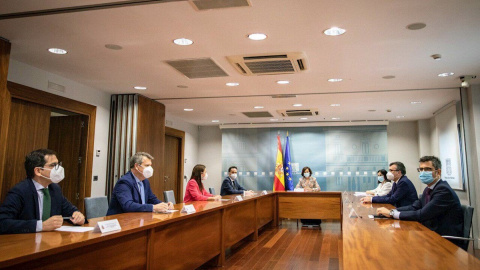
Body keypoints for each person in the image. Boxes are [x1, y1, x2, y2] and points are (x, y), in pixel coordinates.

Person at [377, 156, 464, 247]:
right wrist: (393, 211)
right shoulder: (429, 188)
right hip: (430, 232)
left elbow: (422, 214)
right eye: (421, 169)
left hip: (444, 239)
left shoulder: (443, 190)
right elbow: (414, 207)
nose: (423, 172)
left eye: (427, 169)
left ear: (438, 172)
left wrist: (391, 213)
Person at [0, 149, 85, 234]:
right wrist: (41, 226)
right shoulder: (20, 191)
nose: (58, 169)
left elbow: (70, 211)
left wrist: (78, 216)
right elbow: (3, 222)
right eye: (53, 165)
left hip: (50, 240)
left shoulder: (55, 189)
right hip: (26, 242)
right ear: (38, 171)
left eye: (58, 164)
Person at [107, 152, 173, 215]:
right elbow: (128, 205)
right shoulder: (124, 182)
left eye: (150, 165)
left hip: (139, 218)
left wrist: (164, 205)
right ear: (136, 166)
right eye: (147, 165)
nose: (150, 168)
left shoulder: (145, 181)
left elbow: (151, 199)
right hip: (120, 221)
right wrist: (153, 207)